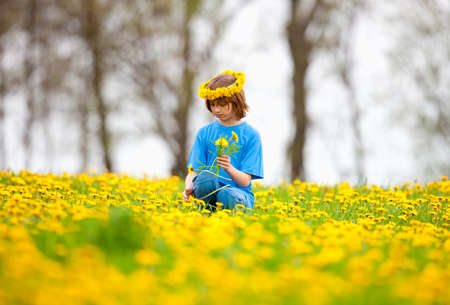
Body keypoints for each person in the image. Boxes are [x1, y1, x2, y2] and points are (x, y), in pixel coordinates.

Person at [182, 70, 264, 210]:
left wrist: (229, 168)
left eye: (221, 104)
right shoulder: (204, 133)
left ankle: (225, 215)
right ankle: (206, 212)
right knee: (205, 178)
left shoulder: (251, 135)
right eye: (213, 105)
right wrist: (189, 186)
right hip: (207, 192)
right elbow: (194, 171)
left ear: (236, 101)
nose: (216, 110)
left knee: (227, 195)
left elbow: (245, 181)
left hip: (239, 194)